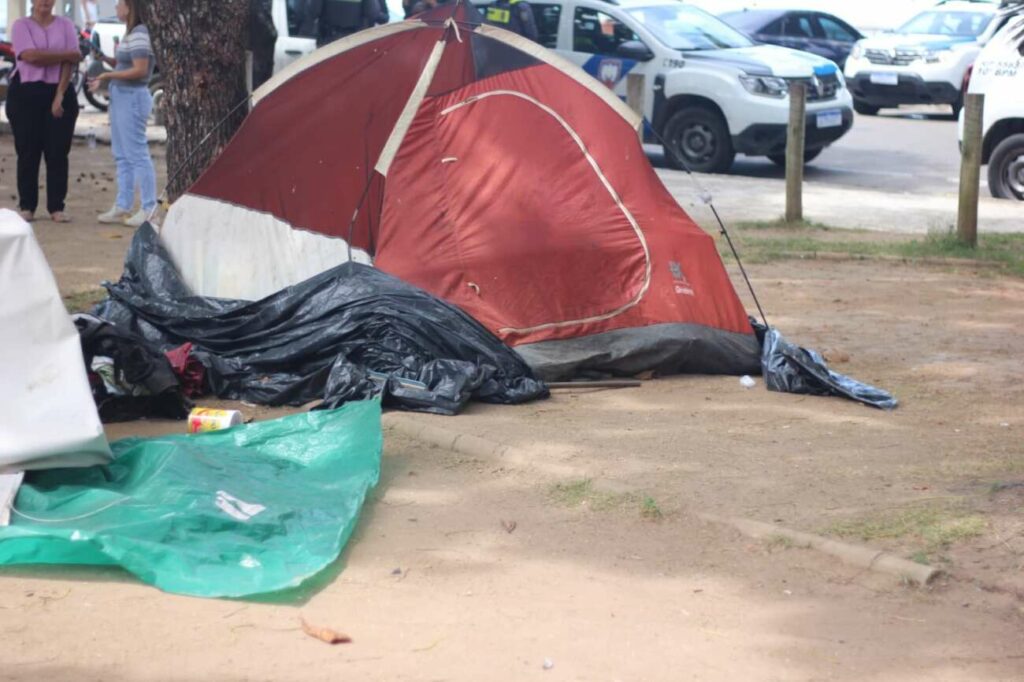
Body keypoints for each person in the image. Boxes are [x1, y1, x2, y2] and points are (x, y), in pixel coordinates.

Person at [5, 0, 82, 223]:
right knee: (28, 150)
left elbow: (73, 60)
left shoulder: (66, 25)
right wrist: (64, 54)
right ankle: (27, 205)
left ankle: (57, 206)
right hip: (26, 93)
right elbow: (30, 56)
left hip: (60, 89)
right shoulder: (21, 25)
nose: (45, 2)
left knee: (58, 152)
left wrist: (60, 94)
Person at [89, 0, 157, 227]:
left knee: (137, 152)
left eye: (119, 4)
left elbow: (140, 69)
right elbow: (125, 63)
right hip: (122, 96)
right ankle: (123, 203)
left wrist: (108, 77)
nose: (116, 8)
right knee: (122, 153)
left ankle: (148, 207)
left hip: (132, 97)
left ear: (130, 7)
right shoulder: (131, 33)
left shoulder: (140, 32)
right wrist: (107, 61)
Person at [301, 0, 383, 46]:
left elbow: (313, 11)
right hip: (354, 43)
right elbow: (372, 13)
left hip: (328, 42)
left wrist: (304, 33)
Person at [250, 0, 278, 90]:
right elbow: (260, 15)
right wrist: (273, 33)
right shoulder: (258, 5)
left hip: (261, 55)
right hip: (260, 56)